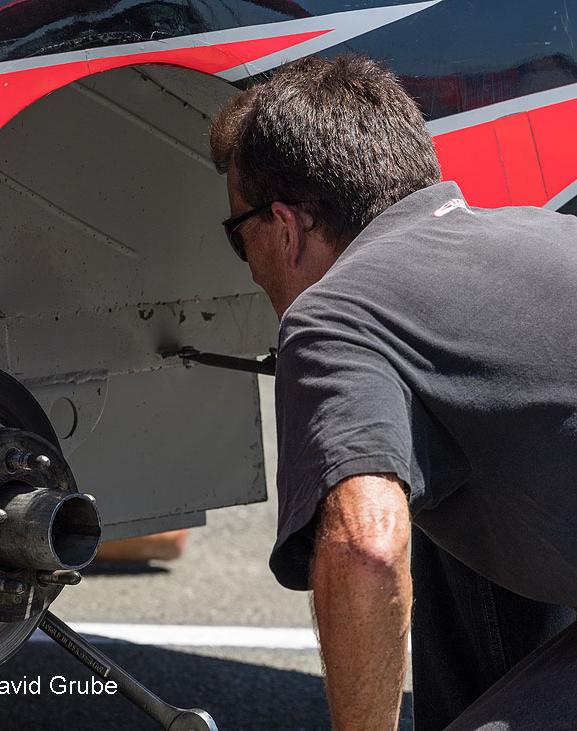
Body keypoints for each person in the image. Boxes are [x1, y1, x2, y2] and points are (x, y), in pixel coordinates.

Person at [209, 54, 577, 730]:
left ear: (286, 228)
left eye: (240, 236)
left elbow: (366, 546)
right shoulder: (540, 235)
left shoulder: (335, 313)